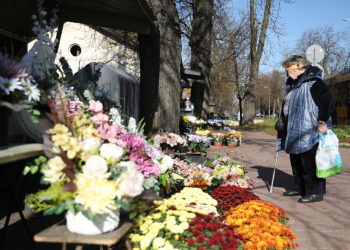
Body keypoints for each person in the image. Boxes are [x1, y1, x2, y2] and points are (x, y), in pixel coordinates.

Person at [276, 55, 334, 203]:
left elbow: (327, 101)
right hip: (293, 129)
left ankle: (315, 192)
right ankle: (299, 187)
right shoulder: (292, 84)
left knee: (310, 162)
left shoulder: (314, 83)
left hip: (309, 129)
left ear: (298, 67)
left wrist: (322, 120)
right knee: (296, 161)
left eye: (288, 70)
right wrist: (281, 120)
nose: (287, 74)